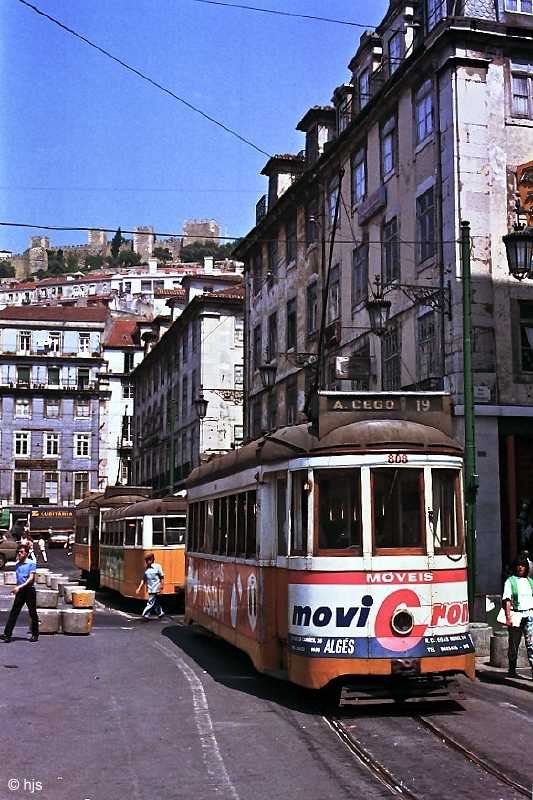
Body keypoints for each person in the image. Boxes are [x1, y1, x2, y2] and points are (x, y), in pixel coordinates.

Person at [502, 556, 533, 678]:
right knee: (514, 644)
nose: (521, 567)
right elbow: (507, 600)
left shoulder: (530, 582)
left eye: (523, 565)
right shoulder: (510, 581)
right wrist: (508, 617)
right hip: (516, 616)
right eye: (519, 565)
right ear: (515, 567)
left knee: (531, 645)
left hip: (530, 615)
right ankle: (512, 668)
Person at [0, 544, 39, 642]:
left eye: (21, 552)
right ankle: (7, 634)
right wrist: (17, 588)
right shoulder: (17, 564)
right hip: (20, 591)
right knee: (14, 612)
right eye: (18, 552)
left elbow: (31, 579)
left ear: (26, 553)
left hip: (29, 590)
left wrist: (19, 587)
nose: (19, 554)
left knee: (32, 612)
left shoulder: (31, 563)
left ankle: (35, 634)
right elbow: (19, 579)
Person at [135, 553, 165, 619]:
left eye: (148, 560)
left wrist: (161, 585)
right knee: (156, 602)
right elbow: (143, 579)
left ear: (152, 560)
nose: (147, 562)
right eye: (146, 560)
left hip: (156, 588)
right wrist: (139, 588)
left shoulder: (157, 567)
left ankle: (145, 614)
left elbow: (162, 577)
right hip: (150, 588)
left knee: (150, 602)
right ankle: (160, 613)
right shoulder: (146, 569)